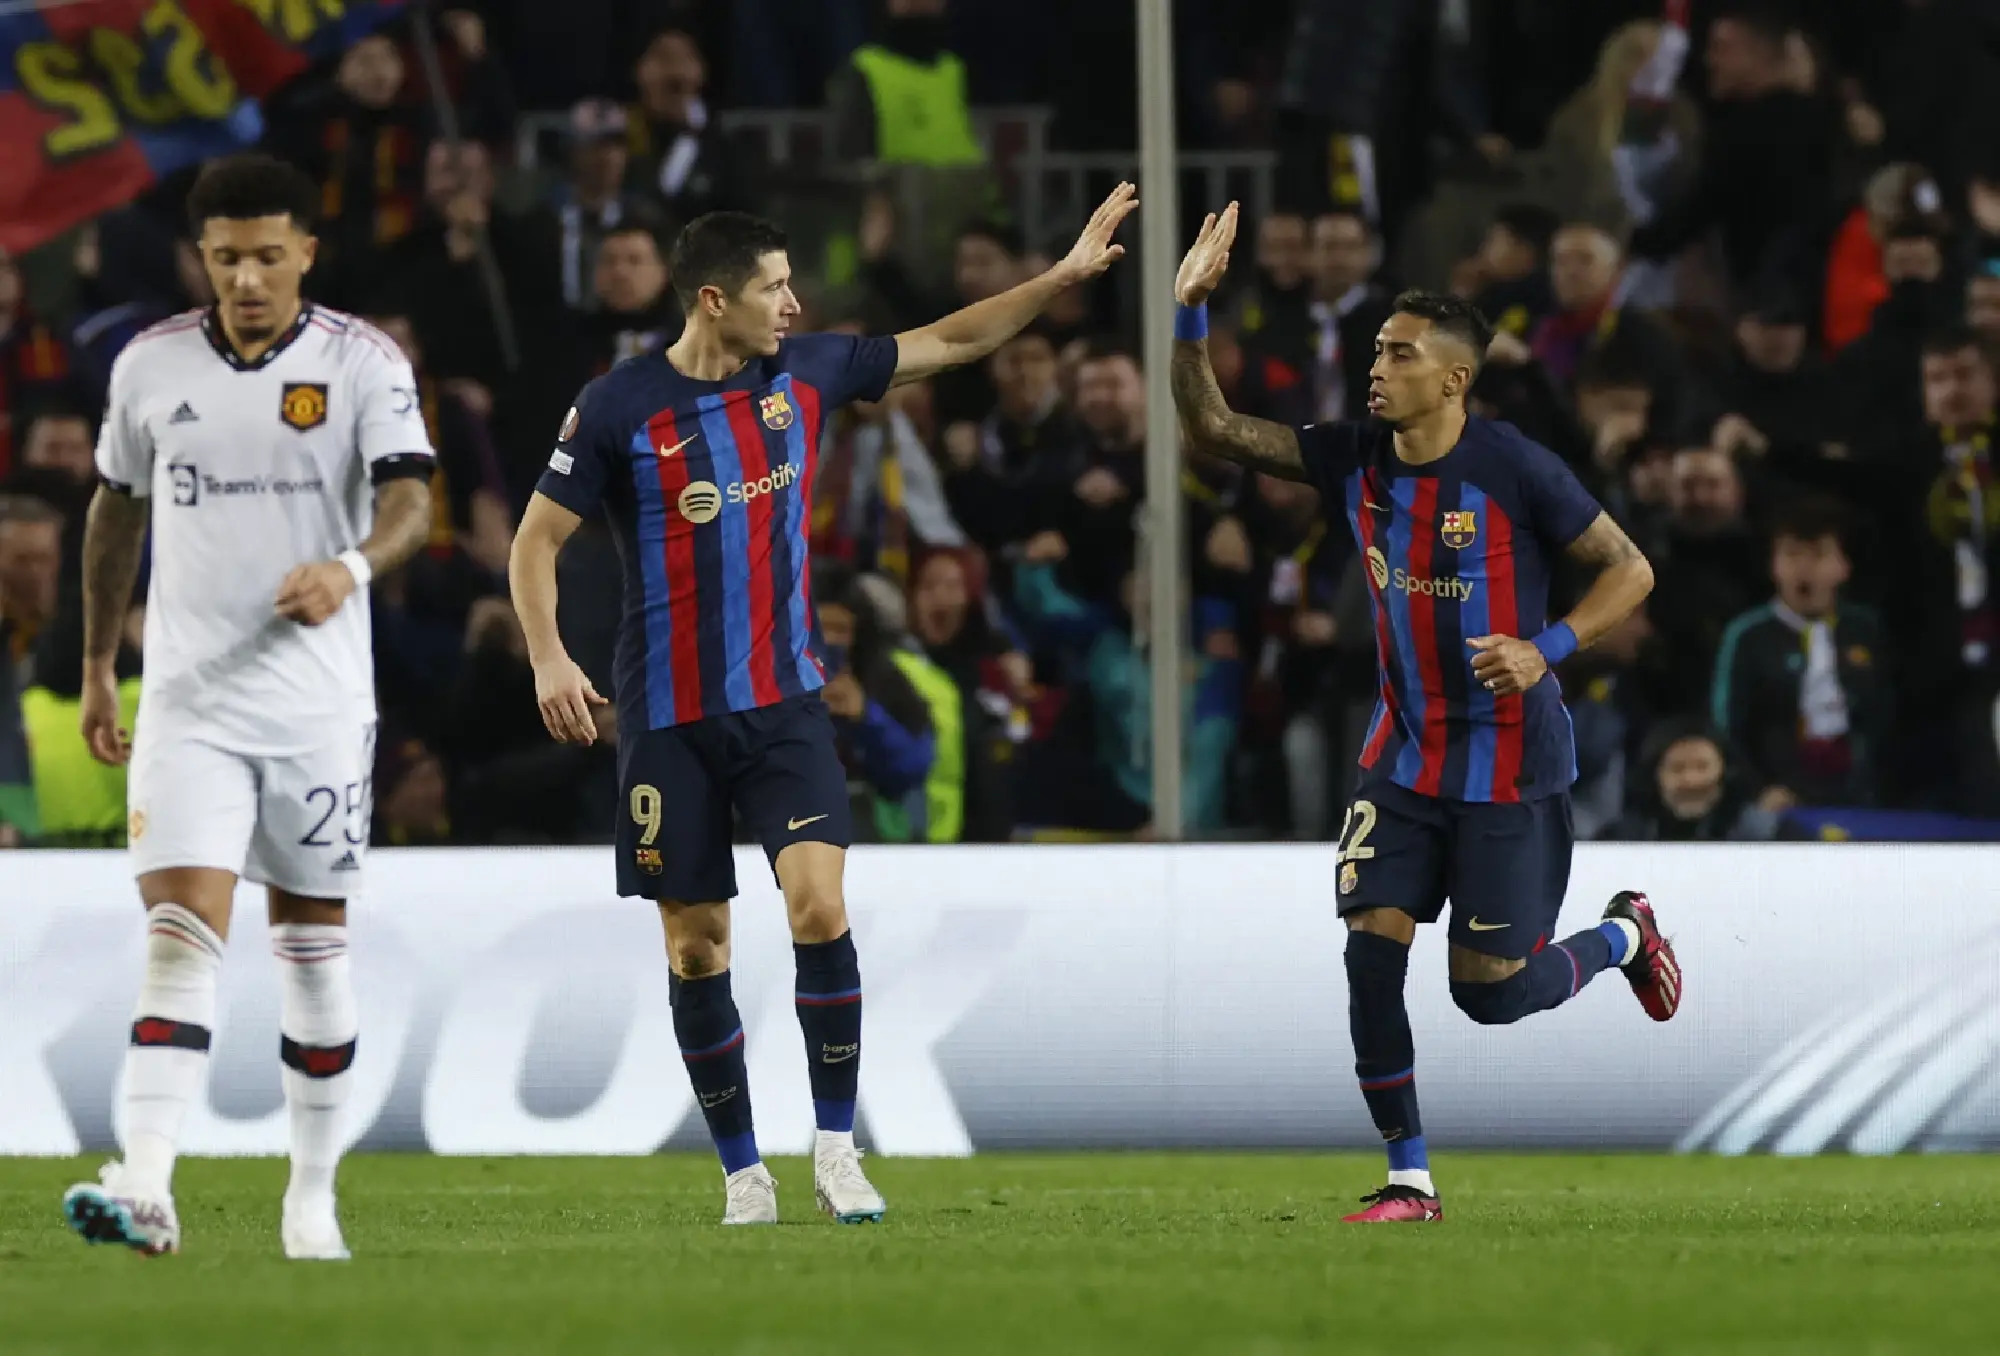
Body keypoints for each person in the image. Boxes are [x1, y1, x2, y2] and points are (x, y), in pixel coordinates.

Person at [508, 185, 1138, 1224]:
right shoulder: (619, 405)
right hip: (667, 719)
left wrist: (1060, 278)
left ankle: (837, 1151)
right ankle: (742, 1175)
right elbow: (535, 540)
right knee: (697, 947)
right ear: (714, 300)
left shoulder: (806, 373)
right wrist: (547, 659)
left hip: (787, 708)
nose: (793, 305)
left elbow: (952, 340)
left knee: (818, 908)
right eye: (774, 289)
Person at [1167, 202, 1680, 1224]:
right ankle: (1410, 1179)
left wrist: (1544, 648)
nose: (1377, 367)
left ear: (1452, 380)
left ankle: (1624, 936)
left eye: (1399, 354)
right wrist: (1188, 314)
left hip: (1509, 765)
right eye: (1375, 349)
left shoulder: (1514, 468)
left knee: (1489, 994)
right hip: (1402, 759)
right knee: (1370, 954)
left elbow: (1630, 570)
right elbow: (1212, 428)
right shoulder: (1352, 455)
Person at [59, 155, 436, 1260]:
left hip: (318, 709)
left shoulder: (362, 362)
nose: (248, 279)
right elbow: (115, 510)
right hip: (189, 704)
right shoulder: (149, 364)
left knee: (312, 952)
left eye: (269, 255)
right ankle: (146, 1186)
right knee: (178, 938)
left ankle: (310, 1200)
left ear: (306, 251)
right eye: (227, 259)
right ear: (202, 258)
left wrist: (349, 570)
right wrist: (97, 661)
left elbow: (411, 500)